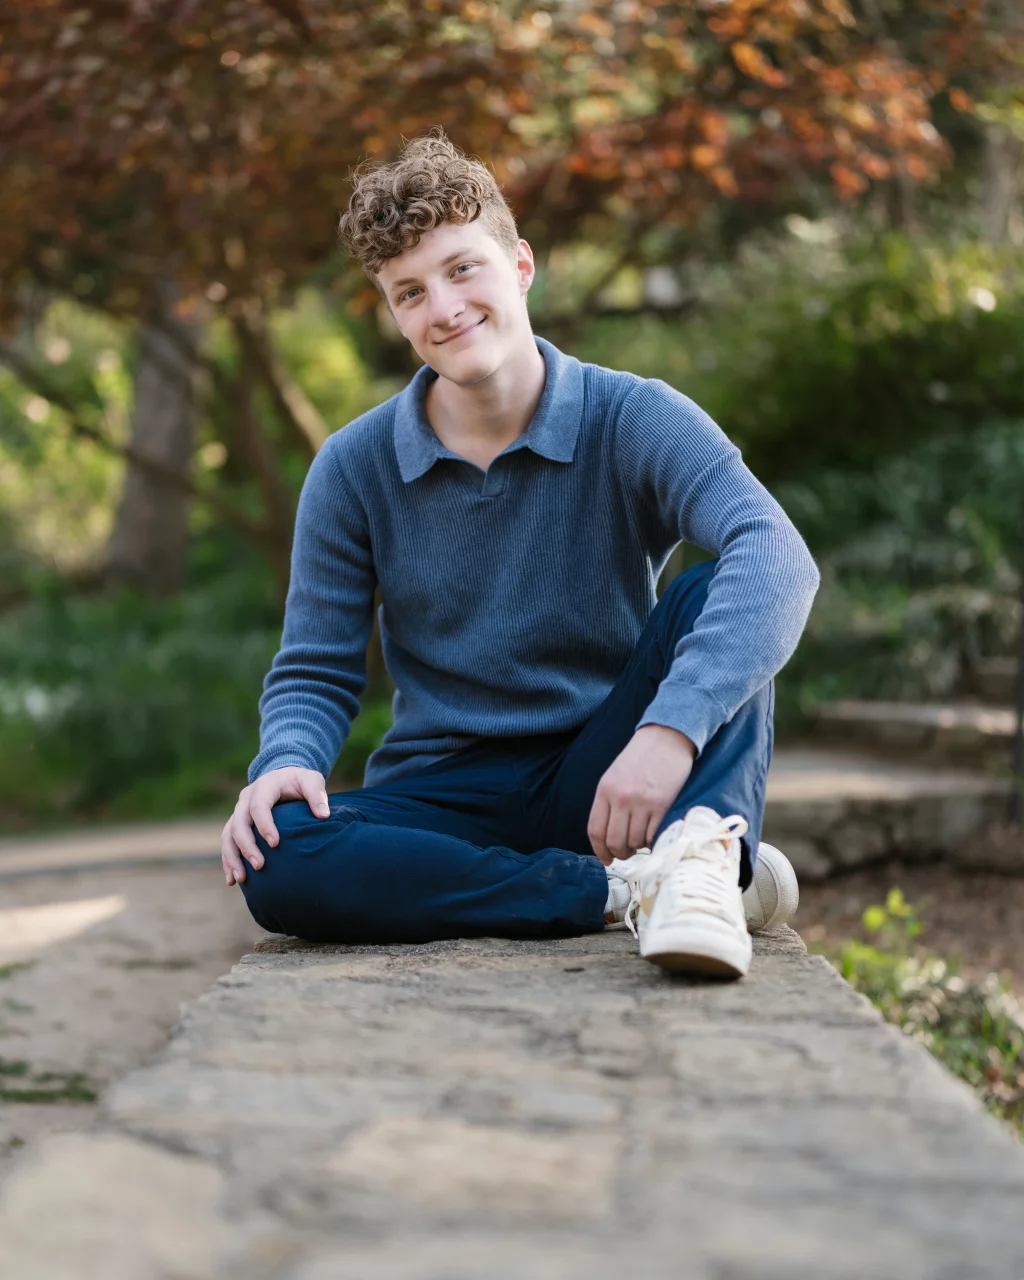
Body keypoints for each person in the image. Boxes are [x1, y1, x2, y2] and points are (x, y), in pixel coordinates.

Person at [220, 128, 820, 980]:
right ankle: (618, 893)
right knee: (276, 857)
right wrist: (284, 762)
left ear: (521, 265)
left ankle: (692, 858)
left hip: (608, 772)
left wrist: (667, 733)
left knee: (722, 587)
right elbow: (316, 668)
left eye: (463, 268)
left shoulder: (632, 417)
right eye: (410, 292)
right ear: (395, 314)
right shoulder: (353, 468)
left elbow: (779, 556)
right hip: (445, 793)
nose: (444, 308)